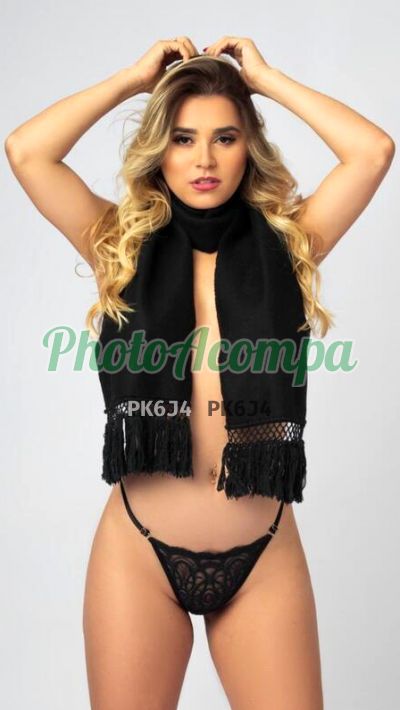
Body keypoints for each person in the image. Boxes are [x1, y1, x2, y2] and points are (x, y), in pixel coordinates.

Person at [5, 35, 395, 710]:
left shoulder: (291, 245)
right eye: (183, 139)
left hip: (262, 555)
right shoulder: (119, 245)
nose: (205, 159)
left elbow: (373, 152)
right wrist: (133, 80)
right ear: (160, 149)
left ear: (249, 147)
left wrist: (264, 80)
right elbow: (26, 151)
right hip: (139, 552)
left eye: (225, 138)